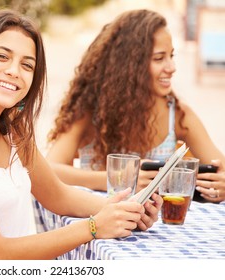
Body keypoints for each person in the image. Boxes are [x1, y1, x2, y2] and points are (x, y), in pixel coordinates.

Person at [0, 9, 162, 260]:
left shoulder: (12, 130)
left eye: (27, 65)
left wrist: (123, 209)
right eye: (2, 57)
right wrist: (92, 228)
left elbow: (59, 196)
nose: (14, 71)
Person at [46, 9, 225, 203]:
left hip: (159, 230)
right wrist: (118, 179)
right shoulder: (91, 112)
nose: (172, 67)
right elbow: (50, 169)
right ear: (129, 66)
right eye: (159, 58)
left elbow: (221, 168)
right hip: (98, 224)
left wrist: (222, 185)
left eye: (171, 56)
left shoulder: (178, 114)